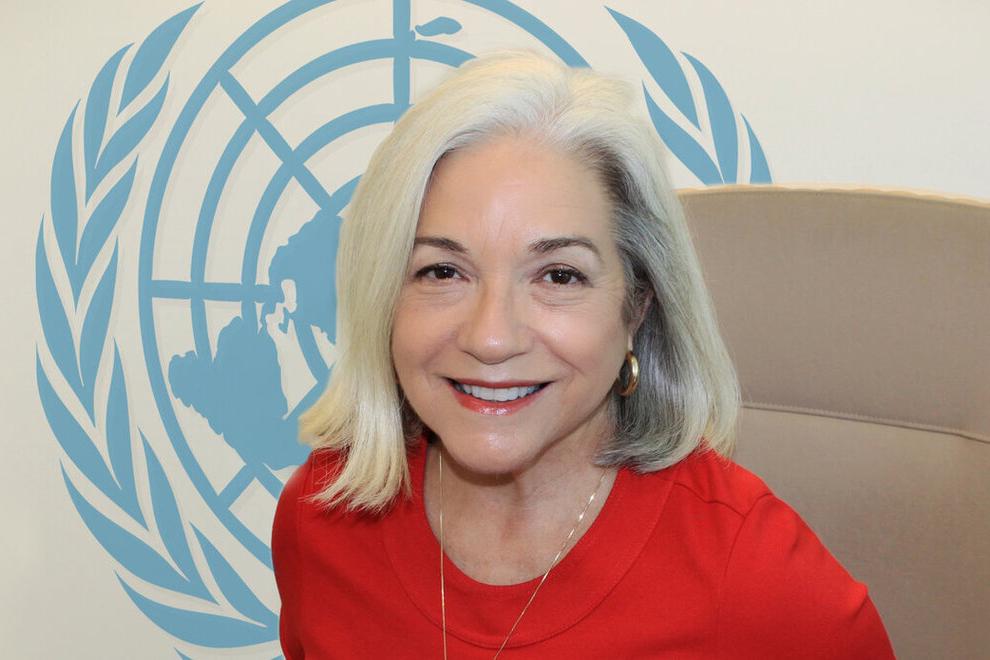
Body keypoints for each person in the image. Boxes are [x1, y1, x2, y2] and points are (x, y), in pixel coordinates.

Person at [272, 51, 895, 659]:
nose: (491, 337)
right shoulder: (323, 518)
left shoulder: (758, 579)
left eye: (559, 276)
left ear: (637, 307)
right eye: (442, 271)